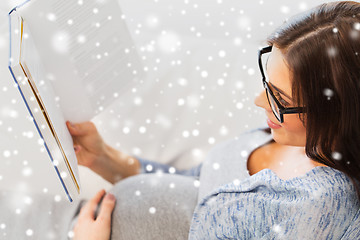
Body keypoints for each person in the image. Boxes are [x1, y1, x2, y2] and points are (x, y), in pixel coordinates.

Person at [3, 1, 359, 239]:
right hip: (80, 217)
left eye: (281, 99)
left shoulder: (315, 206)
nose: (259, 101)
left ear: (338, 114)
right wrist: (107, 159)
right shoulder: (292, 135)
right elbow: (201, 183)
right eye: (267, 84)